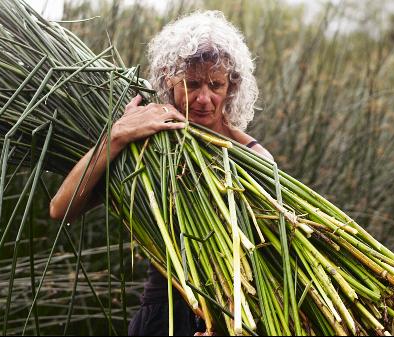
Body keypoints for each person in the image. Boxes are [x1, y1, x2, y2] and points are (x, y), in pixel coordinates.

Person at [49, 10, 272, 336]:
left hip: (229, 315)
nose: (204, 98)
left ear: (232, 86)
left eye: (216, 85)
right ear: (169, 78)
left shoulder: (253, 158)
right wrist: (117, 136)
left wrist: (225, 324)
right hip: (161, 314)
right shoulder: (151, 142)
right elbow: (62, 208)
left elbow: (263, 254)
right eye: (192, 84)